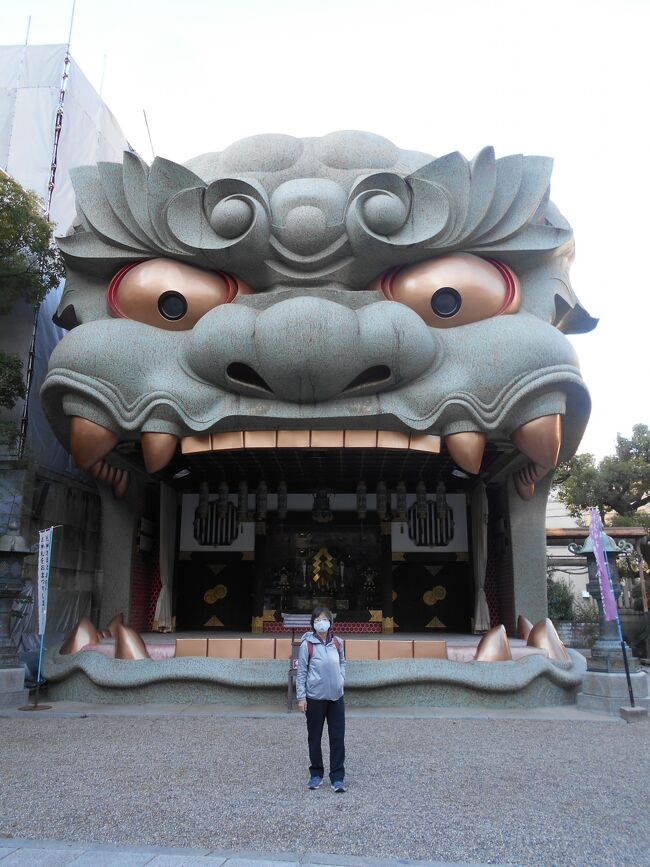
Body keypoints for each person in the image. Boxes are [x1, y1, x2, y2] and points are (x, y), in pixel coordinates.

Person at [296, 606, 347, 792]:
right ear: (313, 623)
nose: (321, 622)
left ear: (331, 622)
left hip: (336, 697)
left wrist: (341, 679)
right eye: (317, 620)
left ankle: (337, 777)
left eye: (324, 619)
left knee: (337, 738)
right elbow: (301, 673)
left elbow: (342, 662)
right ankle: (316, 774)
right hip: (315, 698)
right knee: (314, 738)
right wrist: (301, 697)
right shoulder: (307, 645)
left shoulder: (338, 643)